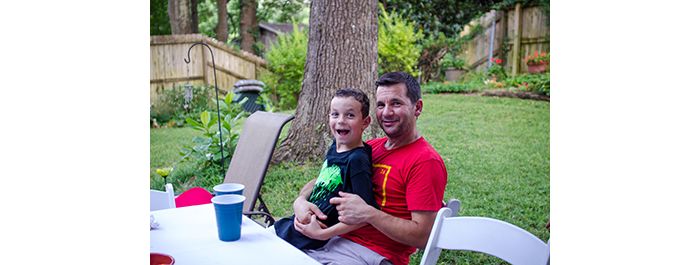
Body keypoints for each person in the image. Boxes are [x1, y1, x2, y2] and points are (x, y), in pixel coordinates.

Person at [293, 72, 448, 265]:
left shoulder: (425, 162)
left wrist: (369, 213)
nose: (387, 112)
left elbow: (423, 237)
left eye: (396, 103)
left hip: (372, 254)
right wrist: (300, 201)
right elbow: (326, 179)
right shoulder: (369, 148)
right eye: (381, 105)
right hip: (332, 240)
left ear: (417, 107)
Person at [274, 87, 378, 250]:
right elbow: (323, 181)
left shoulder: (358, 160)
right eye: (335, 114)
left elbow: (365, 214)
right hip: (300, 224)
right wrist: (300, 201)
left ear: (365, 122)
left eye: (350, 115)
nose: (341, 120)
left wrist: (324, 234)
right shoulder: (334, 147)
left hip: (316, 238)